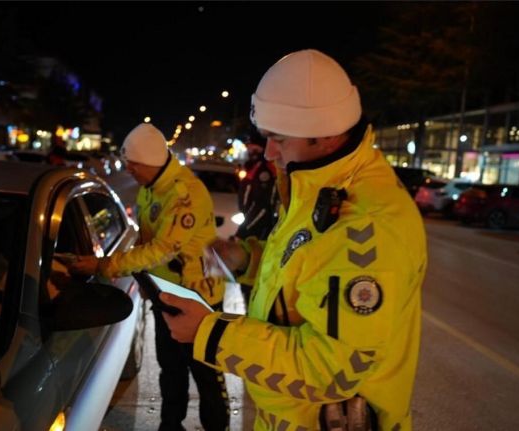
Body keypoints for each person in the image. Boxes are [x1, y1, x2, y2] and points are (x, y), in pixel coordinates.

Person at [160, 49, 427, 431]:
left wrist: (210, 332)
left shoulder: (365, 226)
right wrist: (246, 260)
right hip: (289, 414)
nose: (268, 152)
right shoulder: (316, 182)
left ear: (328, 135)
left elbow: (331, 370)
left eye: (278, 139)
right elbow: (305, 269)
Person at [66, 123, 230, 431]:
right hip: (166, 293)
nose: (128, 170)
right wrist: (145, 280)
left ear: (150, 163)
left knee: (207, 373)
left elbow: (161, 250)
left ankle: (216, 428)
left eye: (133, 165)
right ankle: (171, 425)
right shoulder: (149, 188)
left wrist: (104, 265)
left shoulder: (184, 195)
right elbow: (144, 238)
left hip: (198, 298)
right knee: (170, 368)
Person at [233, 128, 278, 308]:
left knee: (251, 284)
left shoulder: (264, 170)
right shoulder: (254, 167)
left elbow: (262, 207)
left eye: (253, 149)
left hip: (258, 235)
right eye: (249, 148)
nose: (250, 152)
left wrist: (244, 231)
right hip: (253, 231)